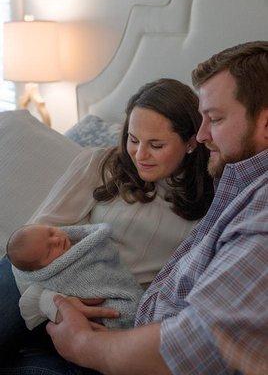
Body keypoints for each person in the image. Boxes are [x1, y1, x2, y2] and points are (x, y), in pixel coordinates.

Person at [44, 40, 268, 375]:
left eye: (216, 119)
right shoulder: (237, 183)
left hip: (112, 340)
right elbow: (32, 238)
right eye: (133, 140)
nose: (204, 135)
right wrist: (51, 305)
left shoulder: (246, 201)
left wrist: (82, 344)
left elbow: (197, 343)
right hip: (63, 303)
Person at [0, 78, 213, 371]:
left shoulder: (211, 205)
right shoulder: (103, 164)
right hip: (41, 289)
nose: (140, 155)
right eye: (133, 139)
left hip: (106, 322)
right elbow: (29, 247)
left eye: (156, 145)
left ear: (191, 142)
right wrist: (52, 302)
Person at [7, 223, 143, 330]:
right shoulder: (57, 274)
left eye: (51, 232)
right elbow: (93, 294)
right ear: (44, 269)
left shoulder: (83, 240)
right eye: (49, 250)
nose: (56, 240)